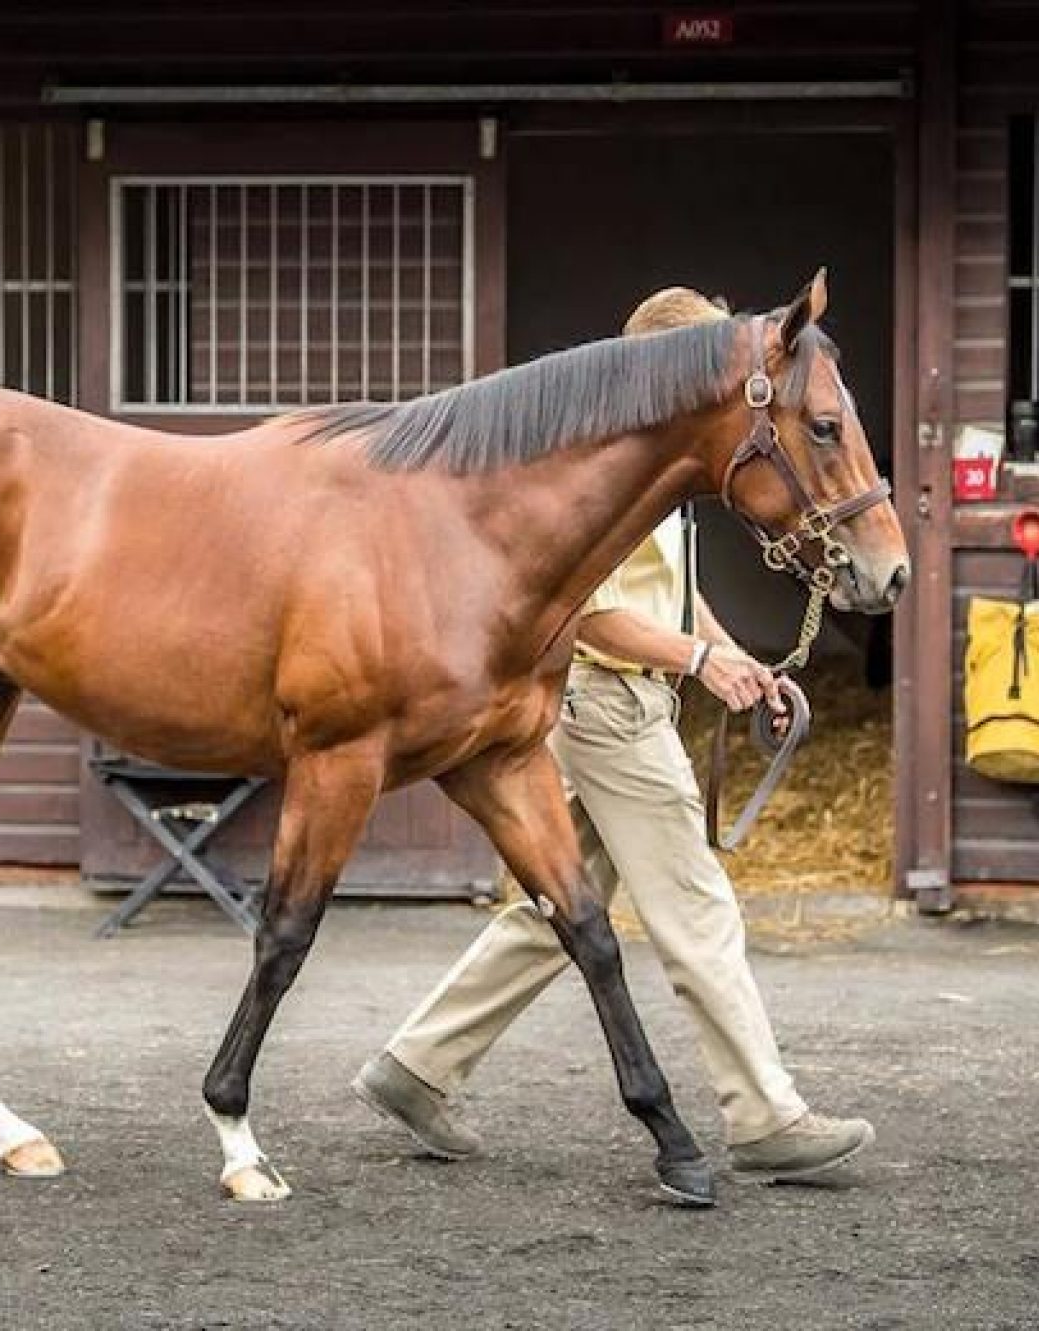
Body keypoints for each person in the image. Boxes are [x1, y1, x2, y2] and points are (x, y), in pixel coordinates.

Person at [353, 287, 875, 1182]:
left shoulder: (664, 471)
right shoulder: (599, 477)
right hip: (608, 710)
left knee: (549, 908)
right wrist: (693, 662)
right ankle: (763, 1115)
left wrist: (733, 657)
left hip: (628, 704)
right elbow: (587, 617)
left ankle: (416, 1066)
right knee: (698, 911)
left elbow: (671, 594)